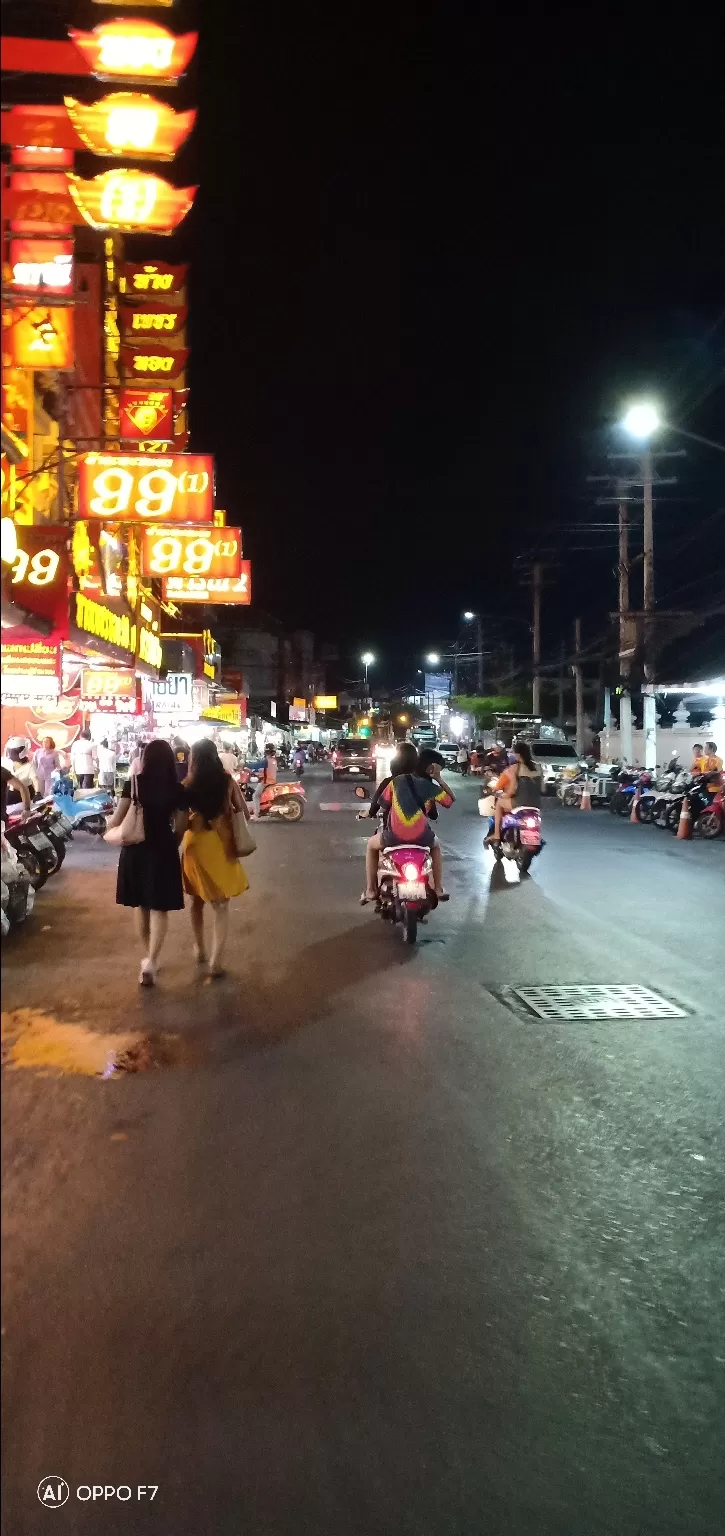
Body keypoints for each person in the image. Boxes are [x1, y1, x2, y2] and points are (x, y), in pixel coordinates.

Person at [108, 739, 188, 988]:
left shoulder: (133, 783)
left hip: (136, 849)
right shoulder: (176, 788)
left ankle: (149, 958)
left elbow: (116, 820)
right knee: (159, 907)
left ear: (146, 758)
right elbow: (183, 824)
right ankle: (152, 958)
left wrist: (112, 825)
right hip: (163, 848)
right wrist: (172, 841)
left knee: (140, 904)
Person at [181, 738, 250, 978]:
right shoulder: (227, 781)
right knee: (221, 906)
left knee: (196, 900)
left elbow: (179, 821)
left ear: (194, 759)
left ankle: (199, 949)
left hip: (193, 844)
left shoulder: (187, 784)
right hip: (219, 845)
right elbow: (245, 812)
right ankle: (215, 961)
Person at [361, 742, 454, 904]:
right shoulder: (427, 786)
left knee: (371, 845)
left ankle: (370, 890)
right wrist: (438, 778)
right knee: (436, 846)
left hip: (393, 837)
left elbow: (382, 804)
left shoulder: (394, 782)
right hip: (422, 838)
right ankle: (438, 888)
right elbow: (450, 800)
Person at [485, 740, 541, 845]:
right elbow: (543, 789)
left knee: (499, 803)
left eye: (514, 753)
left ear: (518, 755)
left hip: (520, 803)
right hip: (537, 804)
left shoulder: (515, 767)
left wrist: (503, 795)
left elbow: (512, 789)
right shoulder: (538, 767)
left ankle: (496, 835)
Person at [251, 745, 278, 819]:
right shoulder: (274, 760)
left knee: (255, 795)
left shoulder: (266, 761)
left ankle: (256, 813)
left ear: (266, 752)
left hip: (266, 782)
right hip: (272, 780)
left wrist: (245, 765)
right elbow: (267, 770)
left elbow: (256, 765)